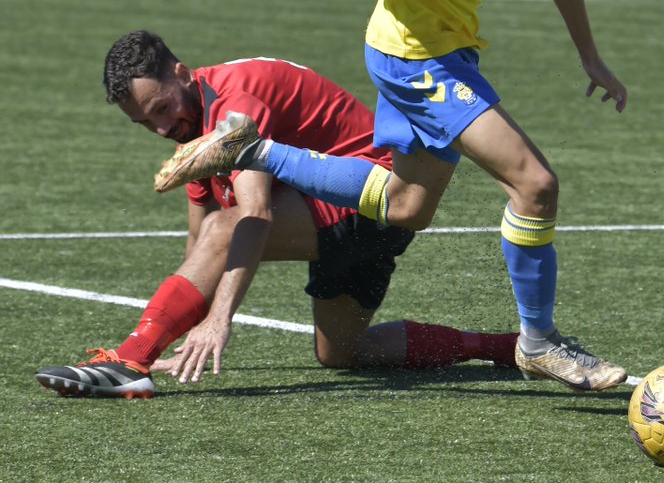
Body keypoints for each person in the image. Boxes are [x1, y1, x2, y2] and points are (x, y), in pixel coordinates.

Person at [154, 0, 629, 393]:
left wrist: (590, 54)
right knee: (534, 184)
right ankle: (540, 342)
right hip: (409, 50)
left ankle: (255, 150)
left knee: (405, 206)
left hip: (451, 46)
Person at [35, 30, 517, 399]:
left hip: (373, 195)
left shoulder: (232, 107)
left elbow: (255, 215)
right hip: (340, 218)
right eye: (145, 122)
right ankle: (507, 349)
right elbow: (201, 240)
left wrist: (217, 320)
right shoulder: (192, 121)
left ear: (182, 73)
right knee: (343, 354)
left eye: (161, 107)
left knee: (234, 220)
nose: (161, 127)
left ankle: (128, 363)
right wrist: (175, 333)